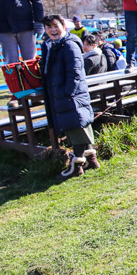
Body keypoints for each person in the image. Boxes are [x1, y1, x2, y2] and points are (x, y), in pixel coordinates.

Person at [40, 14, 99, 179]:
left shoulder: (69, 45)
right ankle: (91, 160)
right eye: (48, 27)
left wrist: (67, 92)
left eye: (55, 26)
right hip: (60, 94)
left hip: (70, 95)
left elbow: (75, 72)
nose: (53, 30)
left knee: (76, 126)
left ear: (63, 26)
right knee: (79, 124)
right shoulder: (50, 45)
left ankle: (76, 166)